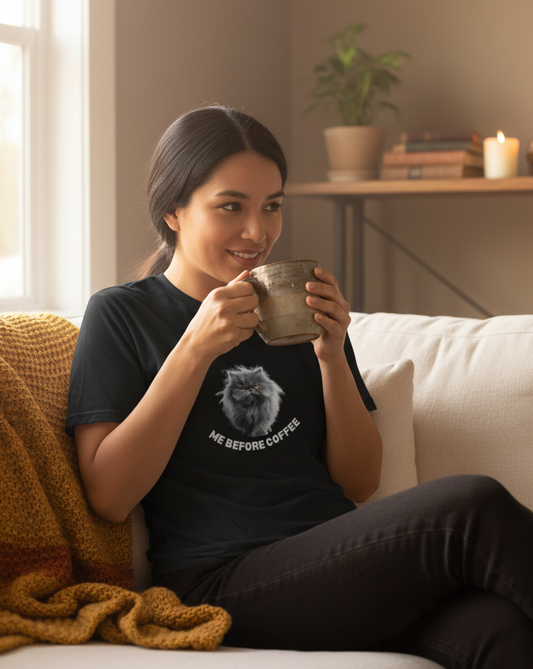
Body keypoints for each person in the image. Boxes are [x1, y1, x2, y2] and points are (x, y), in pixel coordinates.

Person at [67, 105, 533, 668]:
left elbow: (358, 481)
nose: (257, 231)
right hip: (217, 580)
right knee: (470, 506)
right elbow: (109, 497)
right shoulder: (122, 315)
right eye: (231, 206)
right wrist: (194, 348)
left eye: (272, 207)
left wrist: (333, 355)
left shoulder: (294, 312)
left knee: (498, 629)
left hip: (335, 564)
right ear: (173, 209)